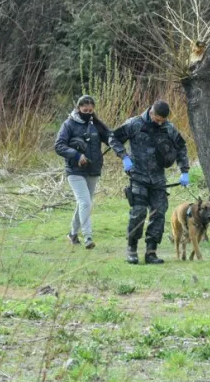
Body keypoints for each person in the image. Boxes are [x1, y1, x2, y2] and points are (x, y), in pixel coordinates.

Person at [109, 100, 190, 265]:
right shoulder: (134, 124)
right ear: (151, 113)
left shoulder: (168, 128)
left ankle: (151, 252)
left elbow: (181, 147)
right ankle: (132, 250)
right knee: (138, 213)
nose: (160, 123)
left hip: (158, 180)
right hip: (138, 176)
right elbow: (113, 138)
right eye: (158, 119)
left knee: (159, 214)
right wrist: (124, 156)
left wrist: (185, 171)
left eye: (163, 120)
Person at [54, 95, 111, 249]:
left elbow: (111, 137)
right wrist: (77, 155)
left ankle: (72, 234)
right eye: (85, 110)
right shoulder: (68, 124)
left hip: (93, 170)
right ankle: (88, 237)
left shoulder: (97, 125)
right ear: (78, 108)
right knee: (85, 202)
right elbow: (59, 146)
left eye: (90, 110)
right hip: (74, 170)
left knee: (83, 204)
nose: (88, 113)